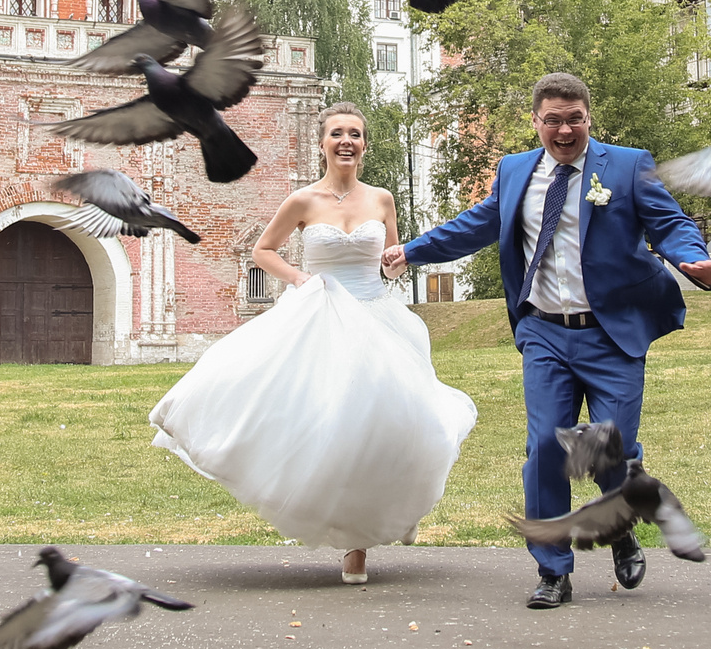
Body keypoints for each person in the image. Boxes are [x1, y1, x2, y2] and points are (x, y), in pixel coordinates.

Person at [384, 71, 711, 609]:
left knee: (608, 449)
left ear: (589, 118)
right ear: (536, 122)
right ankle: (553, 570)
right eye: (553, 120)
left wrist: (691, 258)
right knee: (546, 451)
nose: (565, 130)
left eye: (575, 119)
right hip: (545, 333)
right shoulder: (514, 171)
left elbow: (669, 222)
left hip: (612, 334)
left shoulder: (626, 165)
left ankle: (620, 525)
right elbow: (475, 226)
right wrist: (412, 251)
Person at [149, 101, 476, 585]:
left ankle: (377, 523)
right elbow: (263, 250)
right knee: (329, 425)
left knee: (387, 425)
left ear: (364, 144)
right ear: (322, 142)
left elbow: (391, 261)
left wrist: (396, 262)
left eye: (355, 134)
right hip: (320, 315)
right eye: (337, 133)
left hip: (376, 318)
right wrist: (300, 279)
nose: (347, 141)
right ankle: (349, 538)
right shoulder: (302, 201)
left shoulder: (382, 199)